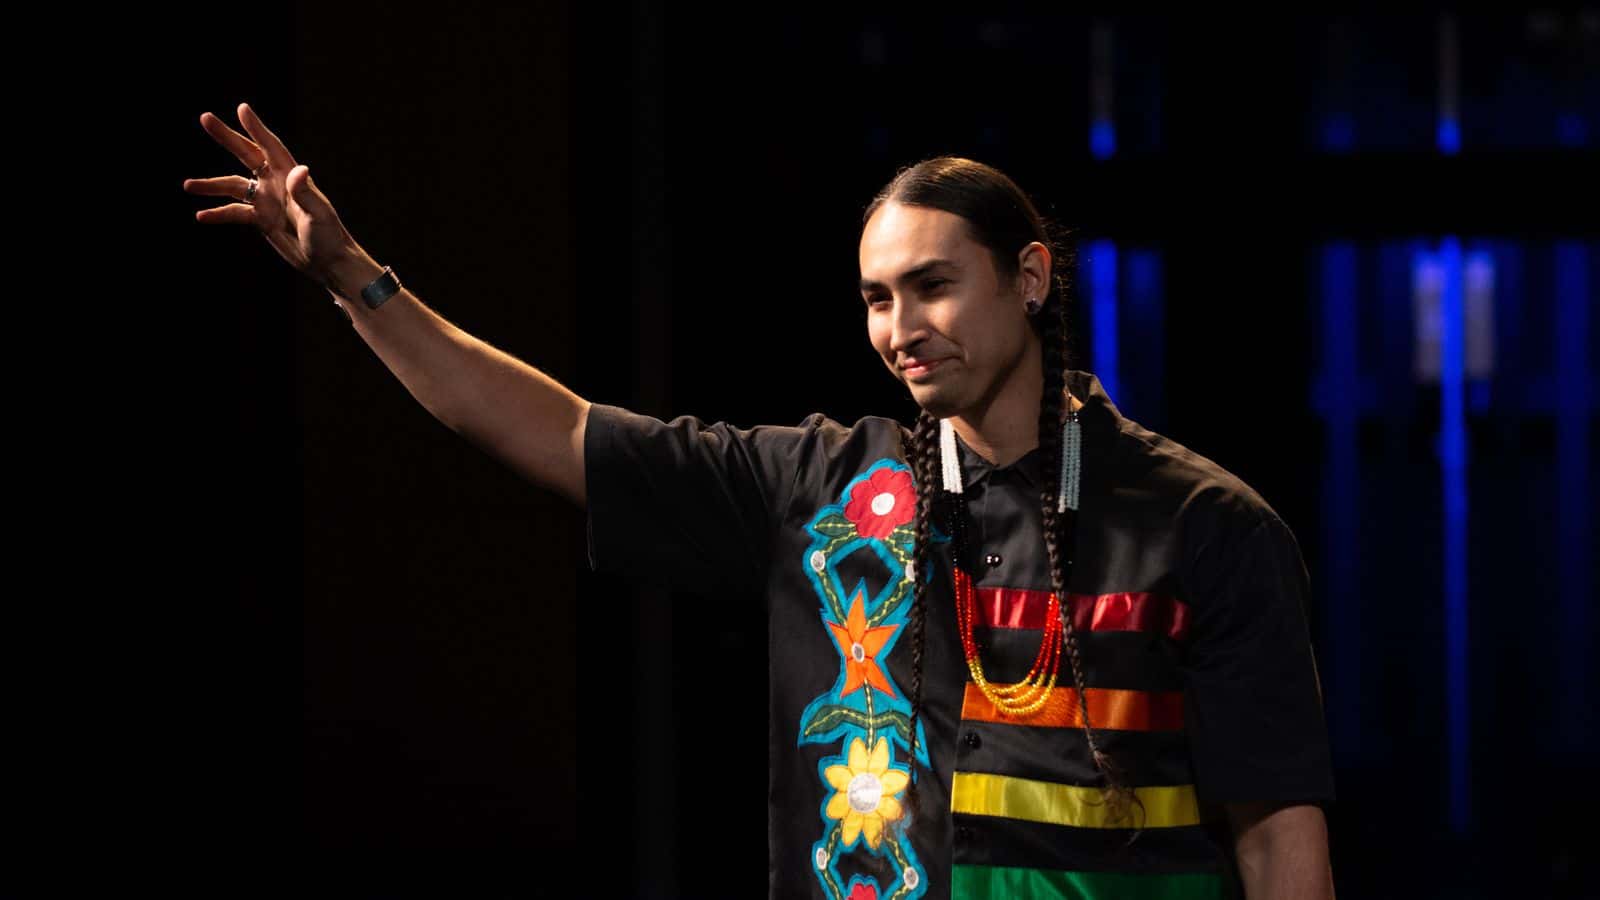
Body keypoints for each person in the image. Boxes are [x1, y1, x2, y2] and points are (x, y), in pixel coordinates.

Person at [187, 105, 1336, 899]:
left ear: (1028, 278)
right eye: (876, 299)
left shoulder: (1205, 526)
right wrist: (353, 279)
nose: (900, 330)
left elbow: (1280, 837)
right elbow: (555, 430)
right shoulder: (826, 486)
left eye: (932, 286)